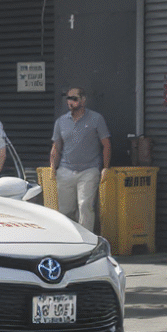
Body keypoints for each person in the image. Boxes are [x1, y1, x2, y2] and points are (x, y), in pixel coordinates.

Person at [50, 87, 111, 231]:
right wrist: (53, 167)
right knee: (65, 210)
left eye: (74, 98)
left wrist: (105, 168)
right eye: (68, 98)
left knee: (85, 206)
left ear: (83, 100)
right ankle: (69, 240)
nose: (71, 102)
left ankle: (86, 242)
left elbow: (106, 144)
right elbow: (56, 146)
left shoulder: (96, 119)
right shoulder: (61, 122)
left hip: (89, 170)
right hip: (65, 170)